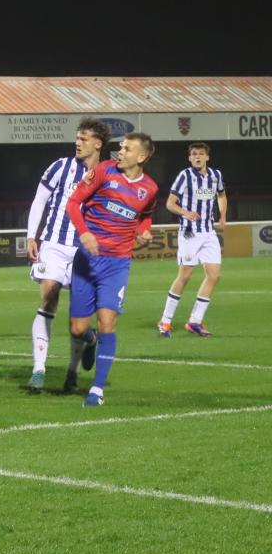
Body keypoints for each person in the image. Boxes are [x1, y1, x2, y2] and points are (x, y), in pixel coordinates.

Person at [65, 133, 158, 407]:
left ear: (141, 157)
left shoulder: (149, 188)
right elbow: (73, 203)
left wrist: (144, 231)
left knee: (108, 322)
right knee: (78, 328)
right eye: (120, 146)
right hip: (86, 261)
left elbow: (145, 214)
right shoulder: (103, 171)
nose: (121, 151)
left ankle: (97, 389)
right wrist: (84, 233)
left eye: (127, 148)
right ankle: (89, 339)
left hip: (116, 264)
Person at [25, 117, 111, 393]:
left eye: (84, 139)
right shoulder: (60, 168)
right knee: (48, 298)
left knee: (78, 323)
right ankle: (39, 369)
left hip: (86, 252)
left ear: (98, 144)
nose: (78, 142)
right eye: (77, 137)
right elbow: (40, 200)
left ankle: (82, 354)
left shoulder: (109, 175)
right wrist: (31, 235)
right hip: (54, 244)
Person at [159, 143, 227, 337]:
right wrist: (185, 212)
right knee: (185, 275)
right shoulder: (184, 176)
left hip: (209, 232)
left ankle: (195, 322)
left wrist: (223, 216)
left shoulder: (216, 176)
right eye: (194, 154)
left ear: (207, 157)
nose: (197, 157)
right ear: (190, 158)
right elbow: (170, 204)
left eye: (201, 154)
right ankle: (165, 321)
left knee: (214, 275)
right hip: (189, 232)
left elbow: (222, 196)